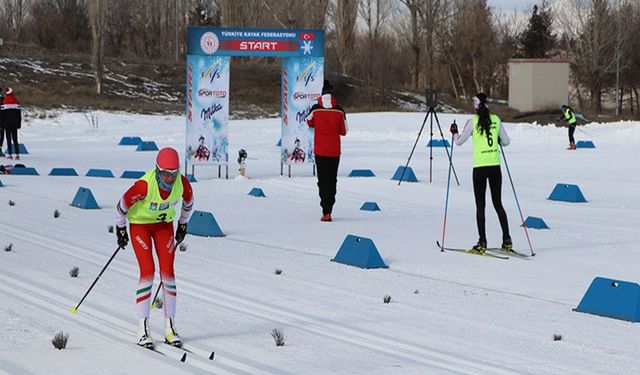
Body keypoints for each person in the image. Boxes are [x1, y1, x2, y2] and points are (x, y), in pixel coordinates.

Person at [115, 147, 194, 349]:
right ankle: (142, 328)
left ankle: (170, 328)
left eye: (173, 174)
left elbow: (189, 203)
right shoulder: (144, 186)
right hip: (140, 226)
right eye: (166, 174)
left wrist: (183, 224)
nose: (169, 178)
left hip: (163, 227)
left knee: (168, 273)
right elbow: (122, 205)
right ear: (158, 170)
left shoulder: (181, 183)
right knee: (148, 271)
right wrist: (121, 229)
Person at [450, 93, 512, 253]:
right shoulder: (496, 119)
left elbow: (458, 142)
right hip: (495, 166)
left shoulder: (472, 122)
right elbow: (506, 141)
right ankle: (507, 240)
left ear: (477, 105)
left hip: (480, 168)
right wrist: (497, 140)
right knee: (498, 204)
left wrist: (454, 132)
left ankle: (482, 242)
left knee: (481, 205)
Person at [306, 80, 347, 222]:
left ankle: (326, 210)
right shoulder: (339, 110)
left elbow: (309, 122)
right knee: (332, 179)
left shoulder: (315, 109)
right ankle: (330, 205)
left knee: (322, 180)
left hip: (320, 151)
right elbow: (344, 131)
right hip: (335, 151)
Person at [0, 87, 21, 159]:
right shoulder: (17, 102)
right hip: (14, 123)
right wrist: (19, 124)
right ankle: (17, 154)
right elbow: (19, 115)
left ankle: (10, 155)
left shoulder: (4, 103)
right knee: (15, 139)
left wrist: (1, 124)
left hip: (6, 124)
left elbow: (2, 116)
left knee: (8, 139)